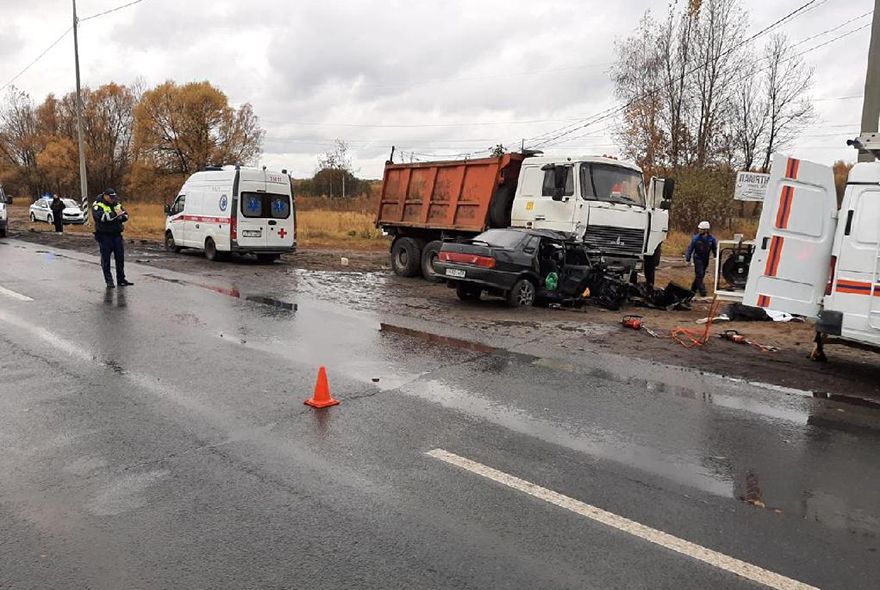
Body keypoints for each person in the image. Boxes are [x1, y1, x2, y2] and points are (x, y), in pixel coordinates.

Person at [92, 188, 133, 288]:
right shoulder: (98, 205)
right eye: (111, 197)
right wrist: (116, 215)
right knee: (106, 260)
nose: (112, 199)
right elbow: (102, 218)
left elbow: (125, 216)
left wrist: (118, 216)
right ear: (105, 196)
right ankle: (109, 281)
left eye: (114, 197)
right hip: (104, 236)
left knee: (120, 258)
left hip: (117, 235)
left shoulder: (117, 204)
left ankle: (121, 279)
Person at [685, 220, 717, 297]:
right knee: (699, 274)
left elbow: (714, 248)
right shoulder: (696, 238)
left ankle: (693, 289)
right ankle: (702, 291)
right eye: (699, 229)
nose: (699, 230)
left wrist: (716, 256)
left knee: (701, 275)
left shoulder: (711, 239)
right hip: (697, 258)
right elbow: (690, 248)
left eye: (701, 229)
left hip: (705, 259)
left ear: (706, 230)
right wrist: (688, 259)